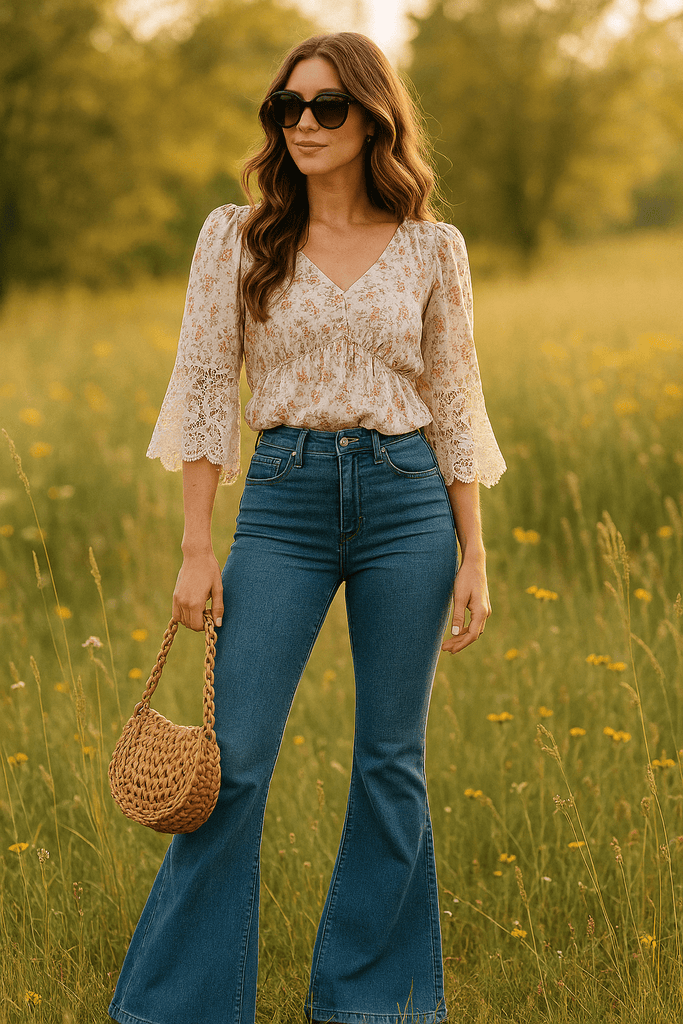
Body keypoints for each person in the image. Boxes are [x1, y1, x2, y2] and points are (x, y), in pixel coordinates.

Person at [108, 31, 505, 1024]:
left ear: (373, 116)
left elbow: (454, 401)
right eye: (287, 107)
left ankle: (375, 1002)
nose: (303, 124)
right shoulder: (236, 236)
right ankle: (176, 1006)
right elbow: (202, 389)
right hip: (279, 503)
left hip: (407, 502)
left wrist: (475, 552)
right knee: (231, 761)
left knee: (389, 763)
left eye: (325, 106)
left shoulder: (429, 247)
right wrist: (196, 546)